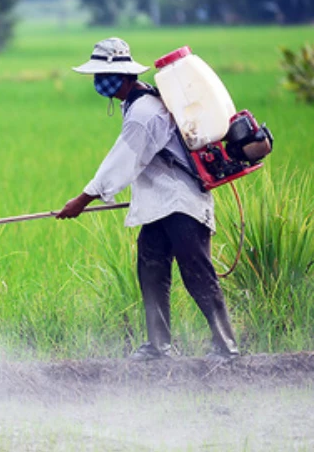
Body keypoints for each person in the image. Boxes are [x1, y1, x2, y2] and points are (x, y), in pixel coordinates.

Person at [56, 37, 239, 361]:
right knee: (151, 271)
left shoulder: (145, 112)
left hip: (181, 205)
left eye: (103, 75)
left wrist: (82, 200)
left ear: (125, 76)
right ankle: (158, 346)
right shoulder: (138, 104)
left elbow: (123, 160)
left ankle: (226, 346)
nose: (99, 82)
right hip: (160, 206)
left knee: (197, 273)